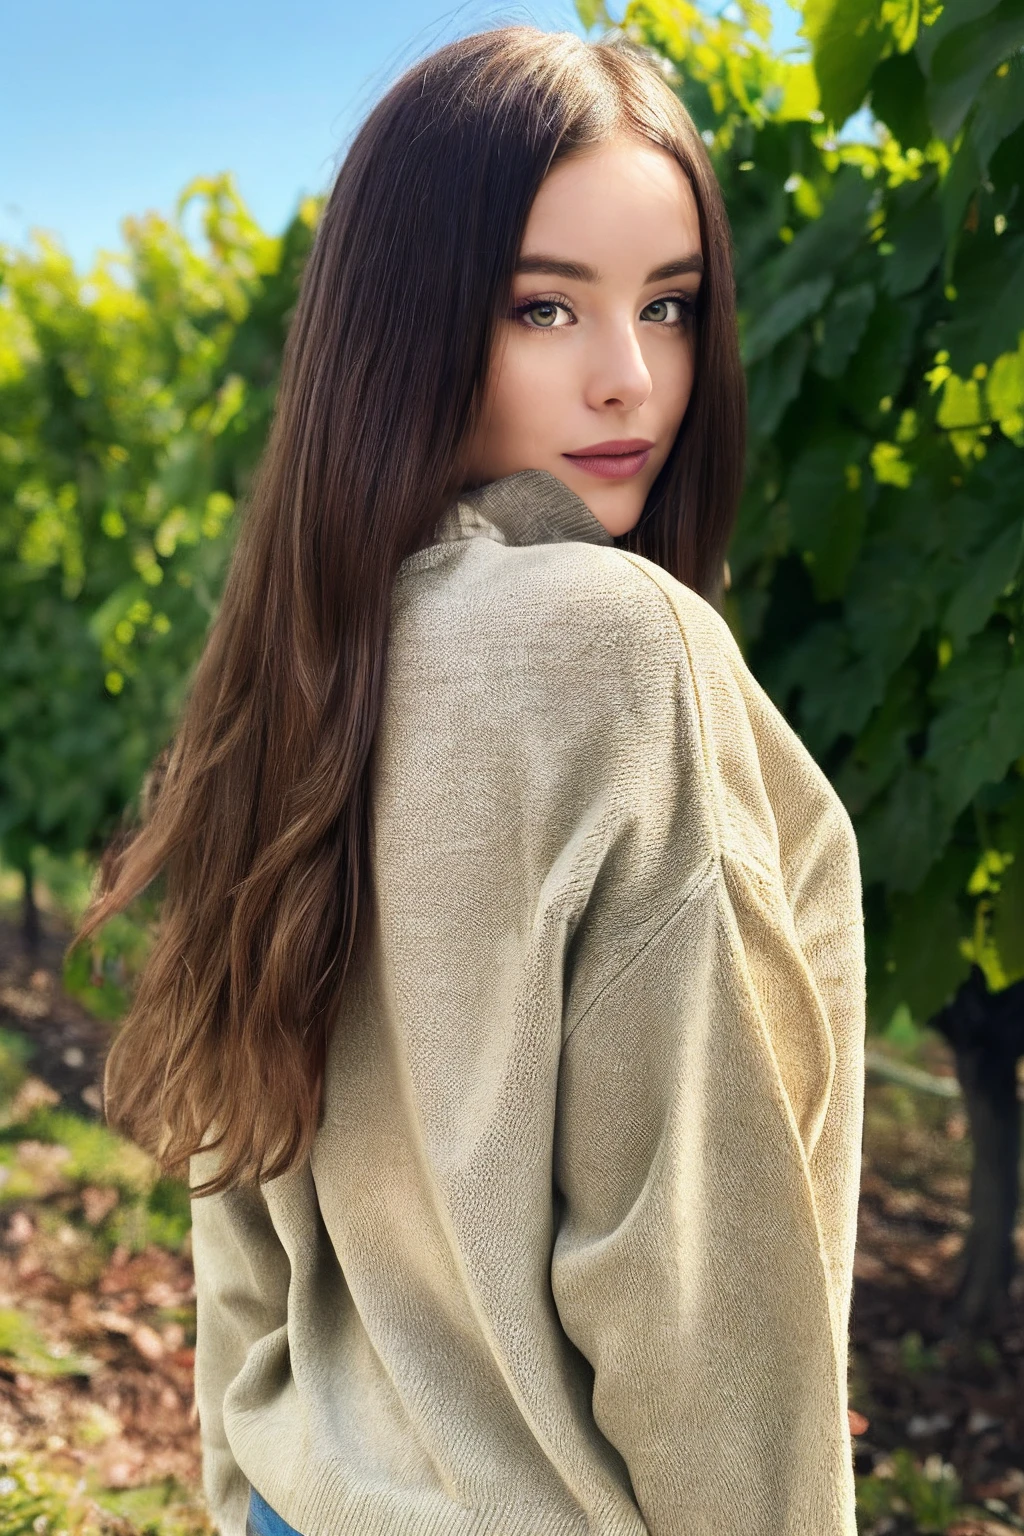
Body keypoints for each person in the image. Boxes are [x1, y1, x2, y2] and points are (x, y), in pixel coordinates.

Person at [73, 23, 866, 1536]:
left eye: (673, 306)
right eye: (544, 306)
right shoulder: (621, 650)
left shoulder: (303, 667)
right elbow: (688, 1280)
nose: (634, 379)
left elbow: (241, 1186)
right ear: (414, 320)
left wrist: (242, 1486)